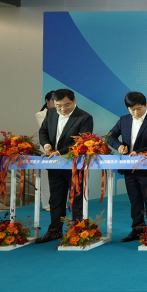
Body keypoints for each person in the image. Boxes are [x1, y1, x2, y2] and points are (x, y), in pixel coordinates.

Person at [35, 89, 94, 244]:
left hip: (74, 165)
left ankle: (78, 231)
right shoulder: (51, 113)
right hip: (55, 165)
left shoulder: (84, 117)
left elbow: (81, 141)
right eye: (58, 106)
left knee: (77, 199)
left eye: (67, 105)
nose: (62, 109)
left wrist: (59, 152)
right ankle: (54, 231)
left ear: (74, 101)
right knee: (55, 199)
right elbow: (43, 132)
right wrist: (47, 145)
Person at [107, 92, 147, 243]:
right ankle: (137, 229)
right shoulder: (123, 119)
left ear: (145, 105)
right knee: (134, 200)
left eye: (139, 108)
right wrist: (119, 146)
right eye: (131, 109)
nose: (135, 112)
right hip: (129, 167)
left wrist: (139, 152)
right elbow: (110, 136)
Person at [34, 91, 54, 212]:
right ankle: (47, 203)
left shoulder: (63, 113)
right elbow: (46, 129)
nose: (56, 103)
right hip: (46, 150)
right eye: (53, 100)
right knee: (46, 178)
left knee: (62, 178)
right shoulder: (41, 114)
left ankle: (61, 202)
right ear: (47, 101)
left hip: (60, 151)